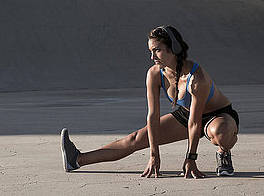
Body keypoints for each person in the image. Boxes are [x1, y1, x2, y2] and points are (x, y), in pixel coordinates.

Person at [60, 26, 239, 178]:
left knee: (220, 134)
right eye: (151, 51)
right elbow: (152, 116)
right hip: (186, 113)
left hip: (218, 115)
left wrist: (191, 158)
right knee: (135, 139)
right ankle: (76, 159)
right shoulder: (154, 74)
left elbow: (195, 121)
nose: (152, 56)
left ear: (174, 48)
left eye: (157, 50)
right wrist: (154, 154)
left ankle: (224, 152)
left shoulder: (196, 78)